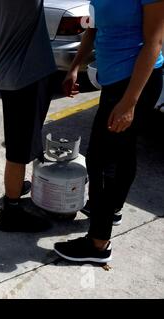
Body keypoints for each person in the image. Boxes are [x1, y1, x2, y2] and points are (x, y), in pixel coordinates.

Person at [54, 0, 163, 263]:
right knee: (123, 150)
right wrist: (75, 66)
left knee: (101, 160)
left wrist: (129, 102)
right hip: (112, 80)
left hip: (135, 83)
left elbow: (154, 42)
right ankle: (112, 208)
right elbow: (93, 29)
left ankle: (98, 243)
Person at [0, 0, 57, 232]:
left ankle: (15, 192)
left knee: (20, 139)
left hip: (7, 73)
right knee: (19, 149)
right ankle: (12, 210)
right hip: (31, 73)